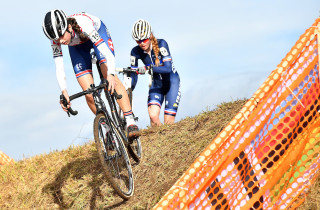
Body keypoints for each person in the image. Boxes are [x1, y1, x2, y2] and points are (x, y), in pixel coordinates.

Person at [42, 9, 140, 139]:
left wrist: (110, 74)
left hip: (98, 33)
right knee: (88, 93)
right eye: (56, 39)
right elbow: (59, 66)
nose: (59, 41)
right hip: (77, 48)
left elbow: (108, 54)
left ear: (69, 27)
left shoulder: (84, 25)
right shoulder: (56, 38)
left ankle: (130, 121)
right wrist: (64, 91)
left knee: (109, 76)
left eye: (60, 37)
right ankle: (108, 130)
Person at [130, 19, 181, 127]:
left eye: (144, 39)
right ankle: (158, 141)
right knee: (153, 117)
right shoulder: (135, 52)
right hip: (157, 84)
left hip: (172, 82)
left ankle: (167, 141)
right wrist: (129, 90)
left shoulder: (161, 44)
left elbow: (167, 69)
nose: (142, 43)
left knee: (168, 123)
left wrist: (148, 68)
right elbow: (134, 74)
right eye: (138, 41)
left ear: (150, 36)